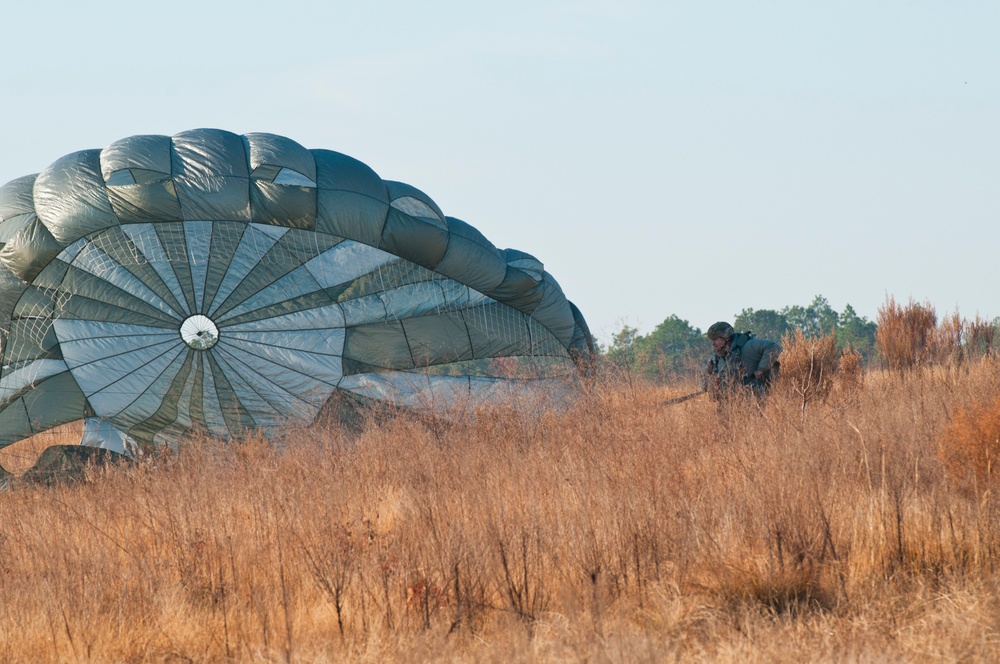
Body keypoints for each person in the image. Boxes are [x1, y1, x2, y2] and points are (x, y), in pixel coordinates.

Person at [701, 321, 781, 399]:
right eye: (712, 340)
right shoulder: (717, 357)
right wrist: (707, 385)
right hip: (728, 402)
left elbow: (774, 347)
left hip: (752, 399)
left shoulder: (749, 346)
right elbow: (705, 375)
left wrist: (761, 369)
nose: (713, 343)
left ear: (726, 337)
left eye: (715, 339)